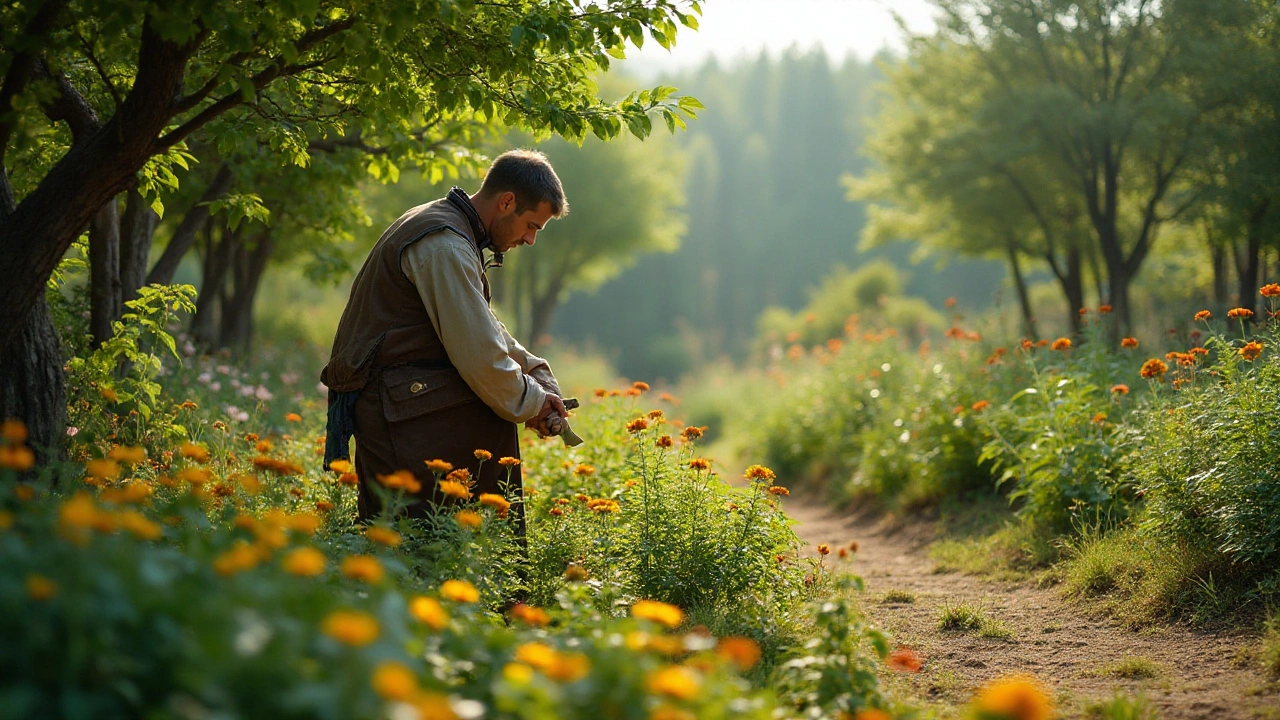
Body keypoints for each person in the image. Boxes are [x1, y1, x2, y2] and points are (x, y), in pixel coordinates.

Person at [321, 149, 569, 524]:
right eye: (532, 226)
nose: (530, 240)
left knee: (496, 414)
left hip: (402, 393)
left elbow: (480, 324)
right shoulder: (446, 244)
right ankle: (479, 568)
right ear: (507, 202)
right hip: (390, 404)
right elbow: (480, 358)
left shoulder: (447, 226)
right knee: (414, 539)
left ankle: (479, 568)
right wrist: (533, 403)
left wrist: (534, 371)